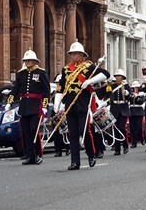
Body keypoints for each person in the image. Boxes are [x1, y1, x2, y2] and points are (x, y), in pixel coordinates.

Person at [53, 41, 110, 170]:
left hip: (83, 104)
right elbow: (61, 87)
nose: (74, 57)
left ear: (82, 55)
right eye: (72, 54)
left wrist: (89, 81)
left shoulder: (89, 67)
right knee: (72, 134)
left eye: (76, 54)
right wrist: (57, 104)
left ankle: (91, 154)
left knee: (84, 131)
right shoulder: (66, 69)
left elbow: (106, 74)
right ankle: (75, 162)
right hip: (69, 105)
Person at [6, 49, 50, 165]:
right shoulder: (21, 74)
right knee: (26, 132)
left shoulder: (41, 73)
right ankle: (30, 156)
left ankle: (38, 154)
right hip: (24, 106)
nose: (27, 62)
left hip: (36, 106)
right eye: (26, 60)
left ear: (35, 61)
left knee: (33, 130)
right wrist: (9, 102)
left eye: (30, 60)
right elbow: (15, 89)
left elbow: (46, 91)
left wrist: (45, 106)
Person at [109, 69, 131, 155]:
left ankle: (125, 144)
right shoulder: (112, 86)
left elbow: (130, 98)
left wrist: (127, 94)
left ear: (122, 77)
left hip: (123, 109)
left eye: (119, 76)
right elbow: (109, 97)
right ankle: (117, 149)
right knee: (115, 129)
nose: (117, 77)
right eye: (116, 76)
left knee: (121, 127)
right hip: (114, 109)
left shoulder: (126, 86)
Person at [51, 74, 70, 157]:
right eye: (57, 83)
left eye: (59, 83)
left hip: (64, 113)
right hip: (56, 113)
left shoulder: (67, 92)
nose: (58, 85)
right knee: (56, 133)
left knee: (66, 132)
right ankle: (58, 151)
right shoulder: (54, 93)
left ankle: (68, 148)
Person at [129, 81, 145, 148]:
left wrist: (137, 96)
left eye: (136, 88)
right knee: (132, 128)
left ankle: (141, 138)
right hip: (132, 111)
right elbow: (128, 100)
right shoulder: (130, 94)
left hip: (139, 112)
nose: (135, 89)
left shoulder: (141, 94)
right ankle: (134, 142)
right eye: (133, 88)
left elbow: (141, 101)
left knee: (139, 128)